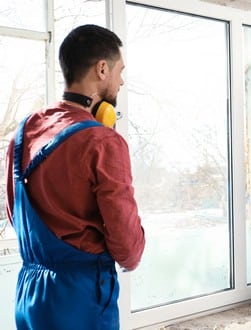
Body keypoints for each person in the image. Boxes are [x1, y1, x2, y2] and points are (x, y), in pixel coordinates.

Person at [4, 24, 145, 330]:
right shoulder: (104, 142)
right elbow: (128, 249)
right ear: (102, 68)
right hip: (81, 300)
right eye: (120, 71)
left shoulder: (23, 132)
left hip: (29, 296)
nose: (122, 81)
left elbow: (16, 215)